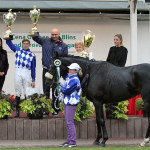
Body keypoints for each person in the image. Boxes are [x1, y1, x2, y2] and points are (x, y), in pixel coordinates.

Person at [32, 25, 68, 117]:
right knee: (46, 91)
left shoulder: (64, 46)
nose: (54, 36)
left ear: (59, 34)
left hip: (56, 72)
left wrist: (63, 73)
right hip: (46, 70)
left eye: (55, 34)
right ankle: (46, 110)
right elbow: (35, 37)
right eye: (52, 34)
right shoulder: (45, 41)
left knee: (56, 91)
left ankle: (56, 110)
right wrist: (34, 28)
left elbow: (65, 60)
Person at [6, 36, 36, 117]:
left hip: (26, 72)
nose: (25, 45)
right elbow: (9, 43)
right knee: (17, 91)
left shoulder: (32, 55)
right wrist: (9, 35)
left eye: (27, 44)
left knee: (27, 92)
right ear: (22, 44)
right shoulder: (18, 50)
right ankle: (17, 111)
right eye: (24, 44)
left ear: (29, 45)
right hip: (18, 71)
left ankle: (28, 111)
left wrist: (33, 80)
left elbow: (33, 68)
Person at [106, 34, 128, 119]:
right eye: (114, 39)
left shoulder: (124, 50)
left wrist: (115, 70)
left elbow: (123, 63)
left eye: (116, 40)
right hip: (109, 72)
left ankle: (116, 110)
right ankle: (108, 111)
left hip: (118, 72)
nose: (115, 41)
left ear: (120, 40)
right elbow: (108, 60)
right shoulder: (111, 49)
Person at [59, 63, 81, 148]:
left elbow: (67, 90)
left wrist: (61, 87)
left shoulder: (75, 79)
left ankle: (72, 141)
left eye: (72, 69)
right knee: (68, 122)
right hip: (67, 101)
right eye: (70, 69)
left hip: (71, 101)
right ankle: (69, 140)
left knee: (70, 122)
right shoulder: (70, 77)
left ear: (75, 71)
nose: (70, 70)